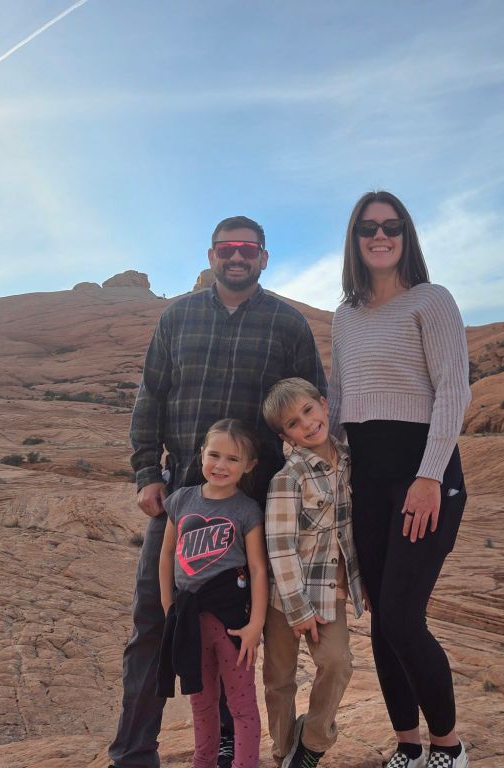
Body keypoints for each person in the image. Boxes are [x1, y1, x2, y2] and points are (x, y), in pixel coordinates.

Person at [108, 215, 327, 768]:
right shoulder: (177, 318)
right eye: (227, 248)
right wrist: (146, 472)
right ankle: (133, 753)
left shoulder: (287, 324)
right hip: (180, 498)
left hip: (251, 511)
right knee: (154, 624)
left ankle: (228, 743)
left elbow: (310, 410)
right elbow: (151, 397)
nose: (237, 257)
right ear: (211, 256)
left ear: (263, 258)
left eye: (248, 249)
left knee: (233, 633)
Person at [328, 191, 472, 768]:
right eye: (368, 228)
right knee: (382, 621)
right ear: (355, 240)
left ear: (407, 235)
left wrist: (429, 475)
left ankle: (449, 748)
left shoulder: (430, 301)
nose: (380, 236)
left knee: (403, 618)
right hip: (368, 481)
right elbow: (339, 397)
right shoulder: (345, 316)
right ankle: (408, 747)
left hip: (424, 477)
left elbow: (453, 391)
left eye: (391, 226)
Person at [260, 378, 364, 768]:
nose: (306, 423)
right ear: (284, 436)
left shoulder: (352, 460)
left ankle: (313, 743)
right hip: (284, 600)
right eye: (293, 423)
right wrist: (298, 607)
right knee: (279, 680)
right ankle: (283, 753)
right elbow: (280, 546)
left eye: (308, 410)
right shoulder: (289, 477)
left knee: (337, 662)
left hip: (329, 592)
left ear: (323, 404)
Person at [157, 419, 268, 768]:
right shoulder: (181, 500)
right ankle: (202, 762)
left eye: (233, 459)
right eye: (215, 455)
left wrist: (256, 625)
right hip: (189, 620)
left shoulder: (246, 509)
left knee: (242, 705)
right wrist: (168, 605)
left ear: (249, 465)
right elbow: (166, 555)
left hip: (232, 623)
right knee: (201, 703)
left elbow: (258, 569)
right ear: (202, 454)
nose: (221, 465)